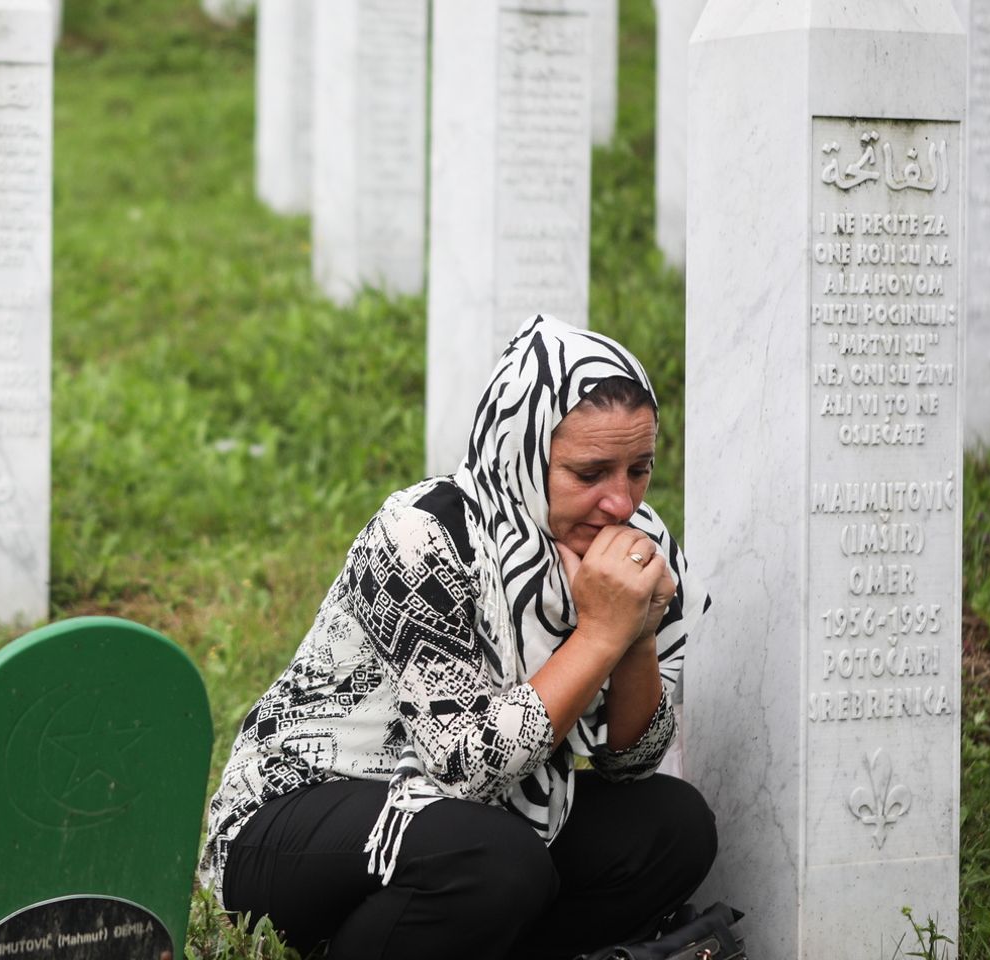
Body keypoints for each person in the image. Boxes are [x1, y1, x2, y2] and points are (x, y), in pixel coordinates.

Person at [198, 316, 717, 960]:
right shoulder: (422, 536)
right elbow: (465, 768)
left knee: (675, 828)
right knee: (493, 861)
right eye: (590, 474)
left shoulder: (634, 548)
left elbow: (630, 763)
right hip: (295, 825)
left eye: (638, 469)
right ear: (520, 452)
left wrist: (637, 635)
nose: (621, 502)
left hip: (484, 825)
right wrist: (600, 635)